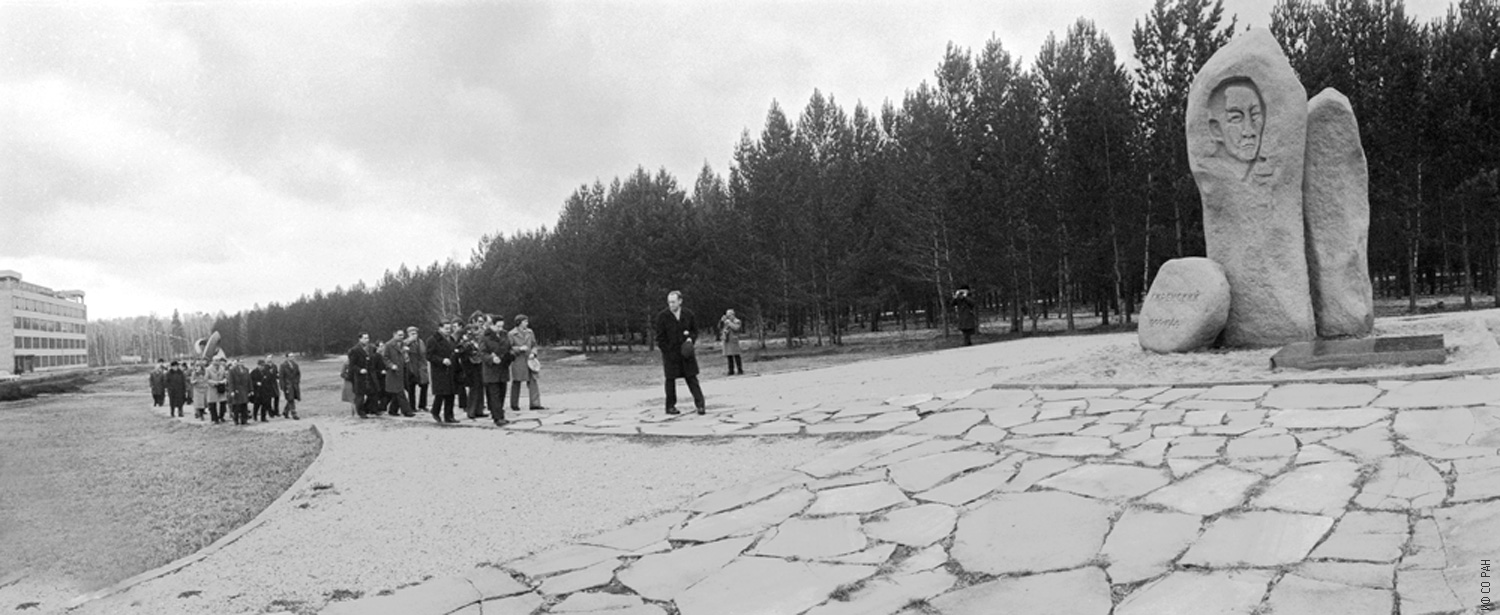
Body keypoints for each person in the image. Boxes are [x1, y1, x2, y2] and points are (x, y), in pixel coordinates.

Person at [655, 290, 705, 415]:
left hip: (686, 353)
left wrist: (690, 340)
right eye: (669, 302)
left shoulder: (688, 314)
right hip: (671, 354)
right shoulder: (663, 316)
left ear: (680, 301)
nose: (671, 305)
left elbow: (694, 331)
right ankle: (670, 406)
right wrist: (667, 351)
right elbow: (660, 338)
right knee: (670, 380)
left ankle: (700, 405)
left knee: (692, 378)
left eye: (673, 302)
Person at [426, 321, 460, 423]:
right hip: (440, 371)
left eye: (449, 328)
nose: (448, 331)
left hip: (451, 369)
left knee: (451, 393)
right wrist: (441, 360)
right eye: (446, 328)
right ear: (440, 328)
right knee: (441, 394)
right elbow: (429, 356)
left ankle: (449, 415)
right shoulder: (432, 340)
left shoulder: (451, 339)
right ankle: (435, 411)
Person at [507, 314, 543, 411]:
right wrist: (519, 349)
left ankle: (535, 403)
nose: (527, 323)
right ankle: (514, 404)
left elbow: (534, 345)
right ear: (519, 322)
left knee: (533, 381)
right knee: (517, 382)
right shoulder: (511, 334)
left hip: (530, 360)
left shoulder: (530, 332)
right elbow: (508, 348)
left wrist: (533, 353)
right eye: (525, 321)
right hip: (518, 361)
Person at [481, 316, 511, 424]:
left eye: (502, 326)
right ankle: (497, 417)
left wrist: (510, 355)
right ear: (492, 325)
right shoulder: (485, 337)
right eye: (498, 326)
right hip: (491, 370)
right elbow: (483, 353)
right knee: (494, 395)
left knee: (502, 393)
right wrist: (492, 358)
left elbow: (509, 348)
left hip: (503, 367)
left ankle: (500, 414)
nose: (500, 329)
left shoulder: (505, 335)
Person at [382, 329, 415, 417]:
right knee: (399, 391)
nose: (401, 337)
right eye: (399, 335)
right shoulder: (388, 345)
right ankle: (407, 411)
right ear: (394, 335)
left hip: (402, 370)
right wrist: (391, 365)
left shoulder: (402, 344)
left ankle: (392, 410)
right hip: (393, 372)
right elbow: (385, 358)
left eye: (402, 335)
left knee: (397, 392)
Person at [348, 333, 380, 418]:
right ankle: (361, 412)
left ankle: (373, 409)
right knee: (360, 395)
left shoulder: (371, 348)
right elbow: (352, 365)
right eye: (365, 338)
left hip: (370, 374)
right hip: (360, 376)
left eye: (368, 338)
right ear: (360, 339)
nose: (367, 340)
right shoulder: (355, 350)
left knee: (373, 393)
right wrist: (359, 370)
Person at [405, 326, 430, 413]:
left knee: (424, 386)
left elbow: (424, 354)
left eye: (415, 333)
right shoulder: (406, 343)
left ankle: (422, 405)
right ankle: (412, 406)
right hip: (412, 368)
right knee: (411, 388)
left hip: (421, 368)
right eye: (412, 334)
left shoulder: (421, 342)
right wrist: (408, 341)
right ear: (408, 334)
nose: (414, 335)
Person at [227, 358, 253, 425]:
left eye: (243, 362)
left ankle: (244, 420)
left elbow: (249, 380)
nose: (242, 363)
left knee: (244, 405)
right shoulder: (232, 370)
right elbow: (231, 382)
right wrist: (232, 391)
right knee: (236, 406)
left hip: (244, 390)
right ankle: (236, 420)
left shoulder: (246, 370)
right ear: (238, 362)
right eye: (240, 362)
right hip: (237, 390)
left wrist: (251, 390)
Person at [719, 309, 744, 376]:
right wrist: (721, 321)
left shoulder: (737, 321)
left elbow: (736, 328)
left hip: (733, 340)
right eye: (727, 315)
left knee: (736, 355)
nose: (728, 317)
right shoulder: (725, 322)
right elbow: (719, 327)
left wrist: (729, 323)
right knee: (729, 356)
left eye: (730, 315)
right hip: (727, 340)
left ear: (733, 315)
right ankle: (731, 370)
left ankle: (740, 369)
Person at [205, 357, 229, 423]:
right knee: (213, 404)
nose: (217, 362)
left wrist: (223, 381)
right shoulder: (208, 369)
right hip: (213, 388)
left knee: (223, 402)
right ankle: (214, 418)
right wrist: (215, 383)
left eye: (218, 361)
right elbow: (206, 379)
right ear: (212, 361)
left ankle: (221, 416)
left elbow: (226, 377)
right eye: (215, 360)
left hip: (221, 388)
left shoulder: (222, 368)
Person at [279, 353, 301, 420]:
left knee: (292, 398)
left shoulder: (295, 365)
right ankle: (294, 413)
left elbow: (298, 374)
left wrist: (297, 381)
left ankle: (285, 411)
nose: (292, 358)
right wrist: (282, 386)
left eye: (293, 356)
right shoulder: (283, 366)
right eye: (290, 356)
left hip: (294, 384)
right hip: (287, 384)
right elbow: (281, 377)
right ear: (287, 357)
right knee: (290, 399)